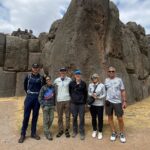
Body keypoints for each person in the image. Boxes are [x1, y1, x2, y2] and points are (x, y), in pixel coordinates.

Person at [18, 63, 44, 143]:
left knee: (35, 116)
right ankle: (23, 134)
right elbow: (25, 87)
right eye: (34, 67)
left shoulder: (41, 78)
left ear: (38, 68)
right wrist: (29, 93)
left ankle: (33, 133)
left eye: (37, 67)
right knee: (26, 116)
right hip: (29, 97)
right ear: (32, 68)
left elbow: (43, 87)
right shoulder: (28, 77)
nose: (35, 69)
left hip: (37, 98)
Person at [105, 66, 127, 143]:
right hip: (108, 102)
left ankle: (121, 133)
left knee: (120, 118)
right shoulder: (106, 80)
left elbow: (123, 90)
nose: (111, 72)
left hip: (117, 102)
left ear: (115, 72)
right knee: (110, 117)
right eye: (110, 71)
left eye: (113, 71)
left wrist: (124, 101)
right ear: (108, 72)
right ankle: (114, 132)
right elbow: (104, 90)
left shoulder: (119, 80)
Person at [69, 70, 87, 140]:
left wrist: (84, 102)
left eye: (79, 74)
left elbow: (85, 93)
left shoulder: (83, 83)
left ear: (80, 75)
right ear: (74, 75)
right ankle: (74, 131)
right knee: (74, 117)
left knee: (82, 118)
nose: (77, 75)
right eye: (76, 74)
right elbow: (70, 92)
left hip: (81, 104)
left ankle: (82, 132)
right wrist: (73, 98)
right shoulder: (71, 83)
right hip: (73, 103)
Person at [54, 67, 72, 138]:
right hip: (59, 100)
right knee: (60, 116)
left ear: (66, 72)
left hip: (67, 99)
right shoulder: (56, 80)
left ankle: (67, 130)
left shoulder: (69, 80)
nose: (63, 73)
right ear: (59, 72)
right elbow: (52, 88)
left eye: (64, 71)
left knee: (67, 116)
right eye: (61, 71)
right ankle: (60, 130)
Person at [88, 73, 106, 140]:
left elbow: (104, 94)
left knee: (100, 118)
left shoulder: (102, 85)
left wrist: (99, 97)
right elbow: (89, 92)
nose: (94, 79)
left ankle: (100, 131)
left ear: (98, 78)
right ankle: (94, 130)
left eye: (95, 78)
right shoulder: (90, 85)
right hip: (92, 104)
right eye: (93, 78)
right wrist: (92, 95)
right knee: (93, 118)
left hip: (100, 104)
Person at [38, 76, 56, 140]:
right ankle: (47, 133)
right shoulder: (43, 88)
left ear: (51, 80)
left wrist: (54, 105)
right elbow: (40, 97)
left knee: (51, 118)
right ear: (46, 81)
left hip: (51, 106)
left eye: (49, 80)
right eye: (47, 80)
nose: (48, 81)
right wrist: (43, 105)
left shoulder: (53, 87)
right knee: (46, 120)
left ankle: (46, 130)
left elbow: (54, 96)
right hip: (45, 106)